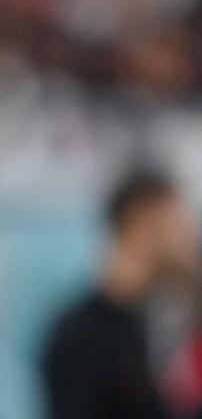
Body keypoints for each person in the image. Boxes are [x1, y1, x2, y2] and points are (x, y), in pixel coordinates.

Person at [42, 168, 199, 419]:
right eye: (178, 223)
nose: (189, 239)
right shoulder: (80, 339)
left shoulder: (152, 328)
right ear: (142, 222)